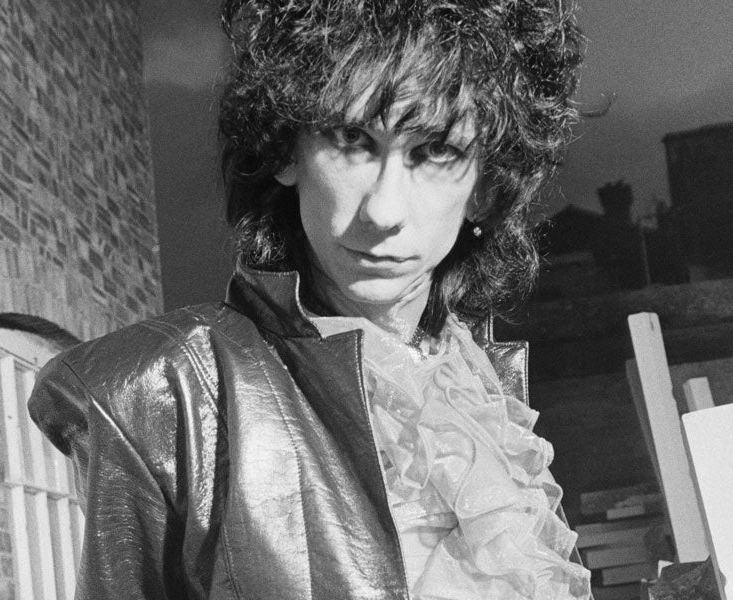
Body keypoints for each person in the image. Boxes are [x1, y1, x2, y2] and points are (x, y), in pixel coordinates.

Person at [29, 0, 591, 598]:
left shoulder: (477, 394)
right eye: (352, 139)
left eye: (434, 151)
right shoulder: (161, 395)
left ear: (486, 186)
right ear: (285, 151)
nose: (384, 210)